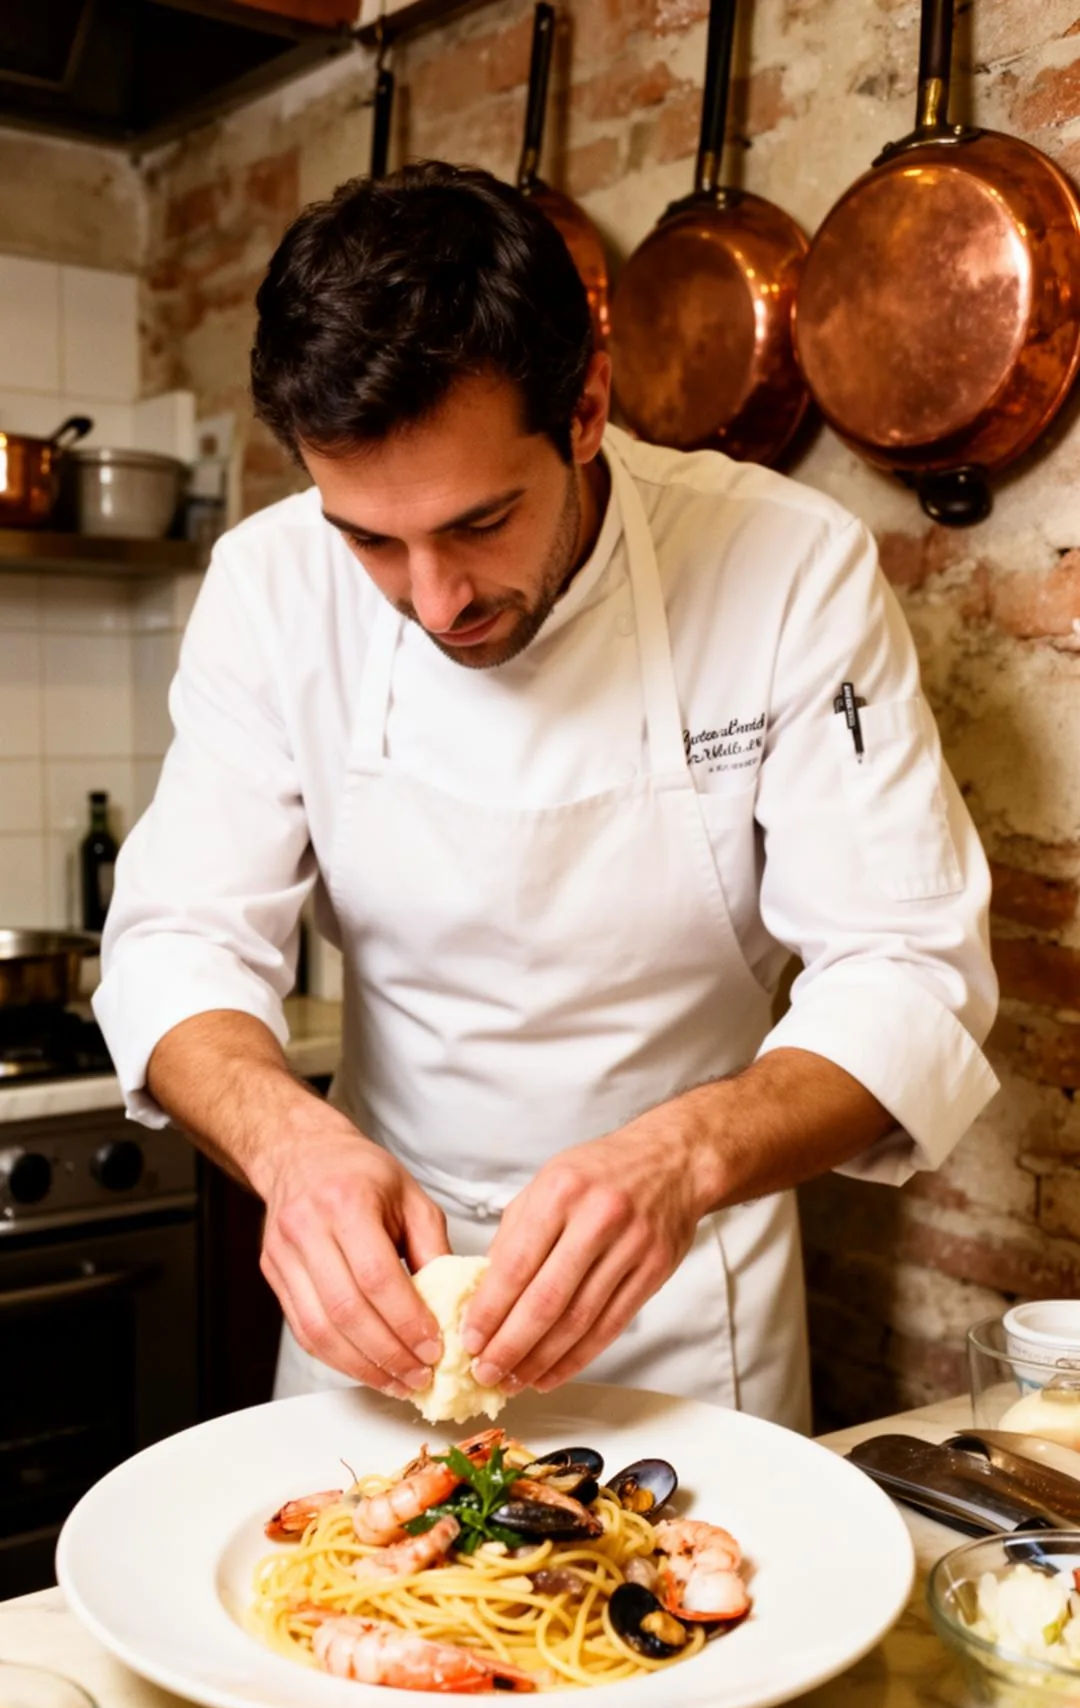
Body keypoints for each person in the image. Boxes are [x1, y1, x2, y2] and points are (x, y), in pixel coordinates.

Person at [94, 162, 999, 1432]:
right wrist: (290, 1150)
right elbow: (177, 943)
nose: (433, 599)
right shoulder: (268, 587)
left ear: (586, 407)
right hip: (383, 1320)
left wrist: (680, 1160)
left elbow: (908, 971)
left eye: (481, 521)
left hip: (689, 1316)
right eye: (369, 539)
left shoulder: (790, 567)